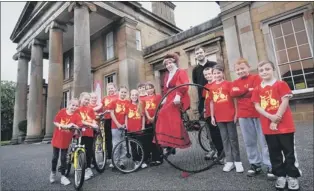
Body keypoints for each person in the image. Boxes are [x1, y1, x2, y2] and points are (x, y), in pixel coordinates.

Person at [252, 61, 301, 191]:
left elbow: (285, 101)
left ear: (273, 69)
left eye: (267, 69)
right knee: (274, 152)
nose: (264, 72)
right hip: (268, 127)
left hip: (284, 125)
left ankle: (292, 176)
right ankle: (280, 175)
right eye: (261, 70)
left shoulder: (281, 84)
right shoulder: (257, 89)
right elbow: (257, 106)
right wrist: (270, 117)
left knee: (289, 152)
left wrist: (276, 118)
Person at [230, 58, 274, 178]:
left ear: (248, 67)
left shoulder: (256, 78)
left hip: (259, 113)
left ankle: (270, 164)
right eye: (238, 69)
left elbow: (257, 92)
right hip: (243, 115)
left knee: (264, 140)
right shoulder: (234, 82)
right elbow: (232, 93)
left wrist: (241, 92)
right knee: (249, 142)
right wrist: (247, 90)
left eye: (243, 68)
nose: (240, 71)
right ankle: (255, 164)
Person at [209, 64, 244, 173]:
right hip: (219, 116)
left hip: (230, 114)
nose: (217, 75)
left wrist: (236, 113)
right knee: (224, 139)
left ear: (222, 73)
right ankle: (229, 161)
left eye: (218, 73)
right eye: (214, 73)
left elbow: (235, 99)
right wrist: (212, 116)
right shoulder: (211, 87)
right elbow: (211, 102)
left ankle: (238, 161)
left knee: (233, 138)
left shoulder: (229, 84)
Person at [155, 52, 191, 154]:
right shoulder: (167, 75)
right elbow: (166, 89)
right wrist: (165, 98)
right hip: (170, 97)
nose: (168, 65)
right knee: (161, 114)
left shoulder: (181, 72)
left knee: (166, 114)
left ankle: (174, 140)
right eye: (166, 64)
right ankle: (169, 143)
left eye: (170, 63)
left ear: (174, 62)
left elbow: (184, 85)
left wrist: (178, 95)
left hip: (179, 97)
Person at [50, 98, 82, 185]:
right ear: (69, 105)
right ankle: (53, 173)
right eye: (73, 105)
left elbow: (79, 125)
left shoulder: (76, 116)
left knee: (63, 158)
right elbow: (55, 122)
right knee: (54, 158)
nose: (74, 107)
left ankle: (63, 176)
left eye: (76, 106)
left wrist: (74, 126)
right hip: (57, 138)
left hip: (66, 141)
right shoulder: (62, 111)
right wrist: (61, 125)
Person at [202, 67, 224, 164]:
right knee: (213, 136)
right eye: (206, 75)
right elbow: (205, 100)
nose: (208, 76)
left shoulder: (217, 84)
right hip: (208, 114)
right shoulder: (205, 86)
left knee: (220, 135)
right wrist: (204, 110)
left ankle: (223, 154)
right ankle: (218, 153)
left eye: (209, 74)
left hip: (216, 113)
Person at [77, 92, 99, 180]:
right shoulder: (77, 109)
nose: (86, 101)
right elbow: (79, 120)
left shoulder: (90, 109)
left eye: (88, 100)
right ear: (80, 99)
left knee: (88, 150)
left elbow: (93, 119)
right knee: (80, 150)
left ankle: (88, 168)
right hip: (80, 133)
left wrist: (95, 124)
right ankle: (81, 167)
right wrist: (91, 124)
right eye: (85, 99)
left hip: (89, 132)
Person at [192, 46, 217, 118]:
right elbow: (196, 83)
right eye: (197, 53)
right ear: (195, 56)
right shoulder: (195, 70)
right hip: (203, 99)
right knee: (208, 122)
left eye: (201, 52)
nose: (199, 54)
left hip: (215, 95)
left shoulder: (214, 64)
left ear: (205, 53)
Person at [125, 89, 147, 169]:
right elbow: (126, 117)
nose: (134, 96)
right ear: (130, 96)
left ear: (138, 96)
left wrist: (143, 126)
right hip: (131, 129)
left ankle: (142, 160)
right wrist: (126, 126)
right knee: (133, 146)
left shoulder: (140, 104)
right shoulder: (128, 105)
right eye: (132, 95)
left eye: (135, 95)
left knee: (140, 145)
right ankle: (136, 161)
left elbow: (143, 116)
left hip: (139, 128)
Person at [109, 86, 130, 169]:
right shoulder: (114, 102)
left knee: (124, 145)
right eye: (122, 92)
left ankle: (122, 161)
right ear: (118, 92)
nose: (123, 94)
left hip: (123, 126)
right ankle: (115, 161)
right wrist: (117, 124)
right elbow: (112, 114)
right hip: (115, 126)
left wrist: (125, 124)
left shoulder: (127, 103)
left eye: (125, 92)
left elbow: (126, 115)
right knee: (116, 144)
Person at [144, 82, 163, 165]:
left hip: (157, 120)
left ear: (153, 89)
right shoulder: (143, 99)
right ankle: (153, 158)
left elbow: (159, 108)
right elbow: (144, 109)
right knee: (150, 140)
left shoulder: (158, 96)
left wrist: (154, 117)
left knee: (157, 139)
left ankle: (159, 158)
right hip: (148, 121)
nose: (149, 90)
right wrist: (149, 117)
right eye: (147, 89)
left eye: (150, 88)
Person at [101, 83, 118, 168]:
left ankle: (117, 156)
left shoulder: (118, 97)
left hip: (115, 119)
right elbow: (100, 107)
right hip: (107, 119)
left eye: (112, 88)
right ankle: (110, 157)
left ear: (115, 88)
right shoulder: (105, 98)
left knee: (115, 138)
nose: (110, 90)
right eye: (109, 88)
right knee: (108, 138)